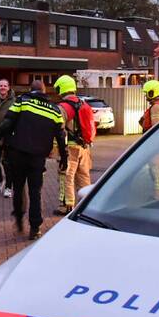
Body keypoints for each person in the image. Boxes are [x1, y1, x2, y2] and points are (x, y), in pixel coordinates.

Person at [0, 80, 67, 241]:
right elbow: (61, 136)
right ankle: (35, 228)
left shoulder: (22, 101)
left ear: (31, 90)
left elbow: (7, 124)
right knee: (35, 192)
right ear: (44, 91)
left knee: (18, 189)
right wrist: (64, 158)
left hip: (17, 154)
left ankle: (19, 218)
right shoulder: (54, 110)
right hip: (37, 158)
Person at [53, 75, 95, 216]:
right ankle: (86, 205)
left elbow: (59, 129)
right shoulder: (84, 104)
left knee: (66, 176)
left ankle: (67, 206)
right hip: (84, 147)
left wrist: (56, 149)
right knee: (84, 177)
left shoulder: (63, 107)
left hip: (70, 149)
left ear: (61, 88)